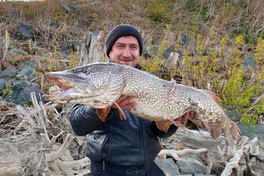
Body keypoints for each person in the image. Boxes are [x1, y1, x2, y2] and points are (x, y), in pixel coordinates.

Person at [70, 24, 193, 176]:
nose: (127, 53)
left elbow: (159, 132)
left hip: (147, 168)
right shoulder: (96, 78)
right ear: (110, 51)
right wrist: (104, 106)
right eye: (120, 46)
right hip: (109, 170)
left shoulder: (152, 82)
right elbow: (77, 126)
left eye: (133, 47)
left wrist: (173, 120)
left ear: (139, 52)